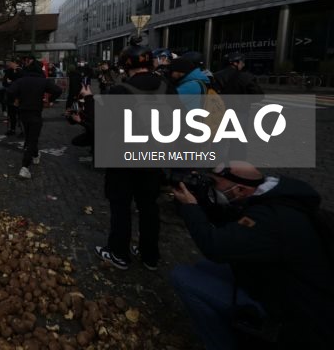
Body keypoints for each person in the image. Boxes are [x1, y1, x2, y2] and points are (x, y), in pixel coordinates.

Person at [170, 161, 334, 350]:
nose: (211, 187)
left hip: (290, 310)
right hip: (268, 279)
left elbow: (215, 247)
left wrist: (190, 207)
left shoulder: (270, 220)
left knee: (182, 277)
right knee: (201, 268)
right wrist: (206, 200)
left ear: (240, 189)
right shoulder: (271, 194)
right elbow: (230, 224)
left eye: (215, 184)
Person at [83, 43, 174, 270]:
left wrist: (89, 100)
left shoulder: (121, 90)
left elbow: (104, 125)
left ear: (126, 65)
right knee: (149, 207)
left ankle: (119, 253)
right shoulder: (167, 87)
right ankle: (149, 254)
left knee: (121, 206)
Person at [6, 60, 62, 179]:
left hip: (23, 113)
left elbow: (10, 91)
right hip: (36, 112)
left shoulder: (21, 80)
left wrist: (16, 101)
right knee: (32, 138)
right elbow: (58, 90)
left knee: (30, 136)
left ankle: (36, 155)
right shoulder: (43, 81)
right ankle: (25, 166)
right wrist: (50, 100)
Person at [3, 58, 23, 136]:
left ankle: (22, 130)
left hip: (18, 96)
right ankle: (12, 129)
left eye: (11, 63)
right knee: (11, 114)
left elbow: (20, 82)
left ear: (15, 63)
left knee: (20, 114)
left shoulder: (21, 71)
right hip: (10, 95)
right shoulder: (8, 71)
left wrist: (11, 81)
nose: (9, 64)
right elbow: (4, 82)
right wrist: (9, 82)